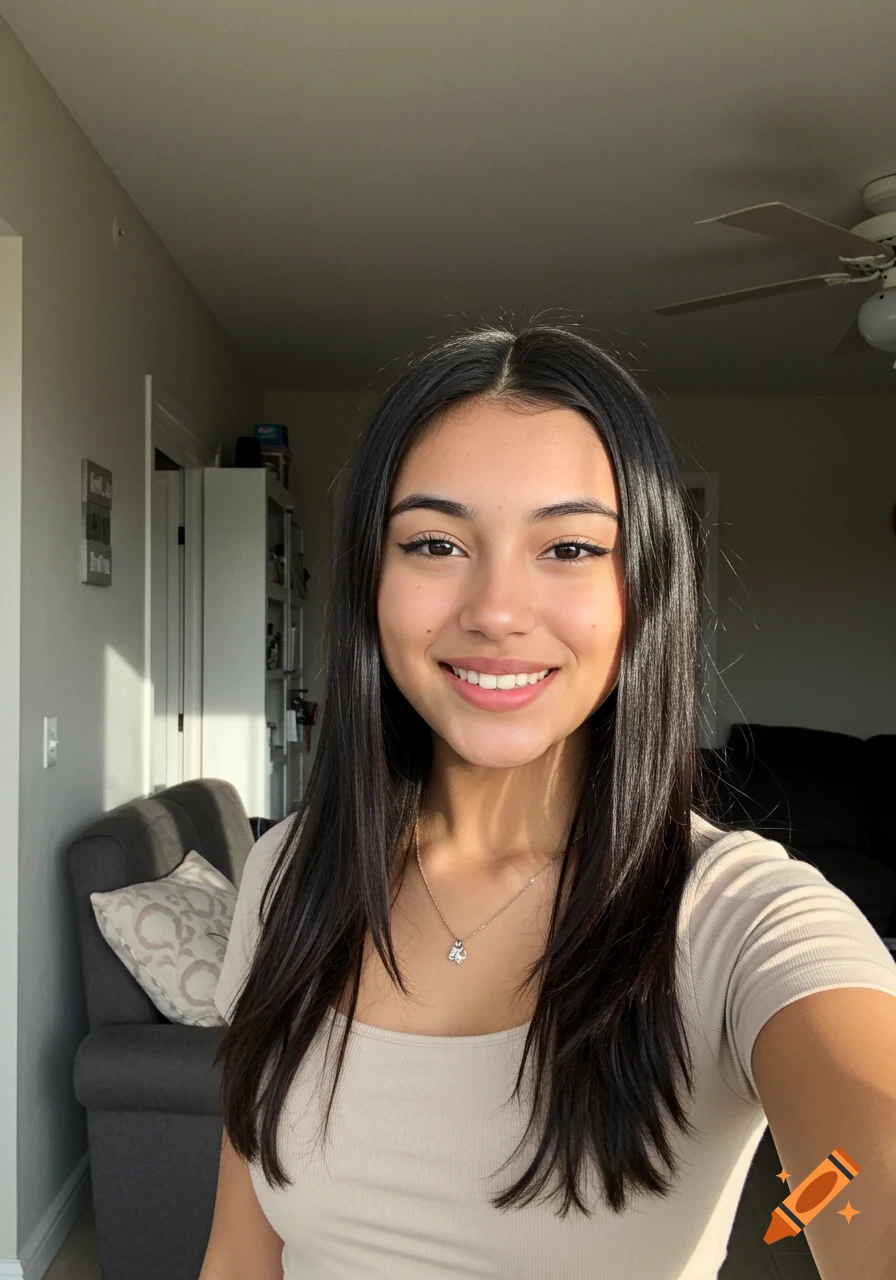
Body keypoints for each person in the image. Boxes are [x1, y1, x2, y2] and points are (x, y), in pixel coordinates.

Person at [200, 325, 896, 1280]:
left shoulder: (743, 918)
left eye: (568, 546)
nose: (495, 608)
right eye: (436, 542)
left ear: (643, 591)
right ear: (371, 581)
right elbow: (240, 1254)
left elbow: (871, 1144)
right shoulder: (285, 873)